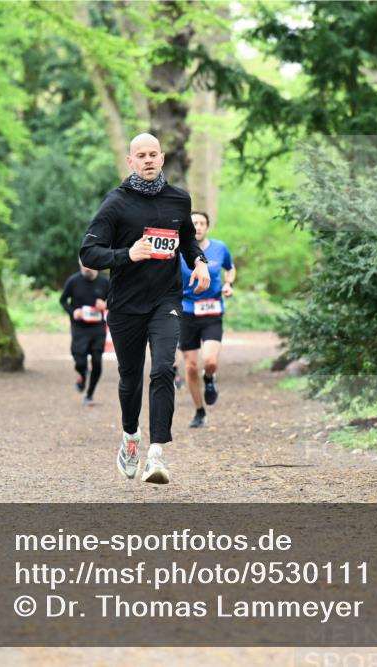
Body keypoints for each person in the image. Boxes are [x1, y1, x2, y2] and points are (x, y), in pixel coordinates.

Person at [80, 133, 210, 485]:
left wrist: (198, 261)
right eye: (141, 155)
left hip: (166, 300)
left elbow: (186, 239)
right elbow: (88, 253)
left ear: (162, 158)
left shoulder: (179, 199)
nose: (148, 160)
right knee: (130, 378)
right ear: (131, 161)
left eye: (154, 154)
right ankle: (131, 438)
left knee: (164, 368)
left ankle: (156, 454)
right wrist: (127, 255)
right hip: (125, 306)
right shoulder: (116, 203)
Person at [180, 210, 235, 428]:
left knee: (210, 361)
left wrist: (228, 284)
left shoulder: (220, 248)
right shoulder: (179, 250)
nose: (198, 227)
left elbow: (230, 269)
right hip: (186, 311)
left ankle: (209, 378)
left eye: (202, 223)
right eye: (194, 223)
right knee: (191, 366)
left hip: (212, 311)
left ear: (207, 227)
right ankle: (199, 411)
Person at [58, 261, 110, 406]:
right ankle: (82, 375)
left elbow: (116, 302)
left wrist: (106, 306)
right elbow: (63, 300)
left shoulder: (105, 282)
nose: (86, 269)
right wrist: (73, 312)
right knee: (80, 361)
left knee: (97, 362)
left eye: (90, 266)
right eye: (83, 266)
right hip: (79, 327)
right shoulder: (73, 281)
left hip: (97, 328)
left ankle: (89, 394)